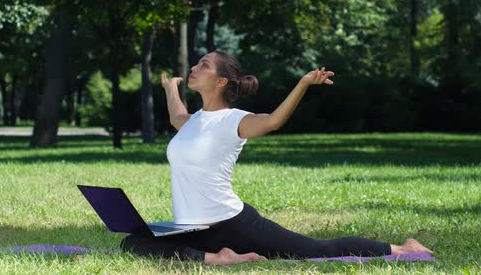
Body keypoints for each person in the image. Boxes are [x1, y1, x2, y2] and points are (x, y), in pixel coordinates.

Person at [121, 51, 432, 265]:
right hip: (191, 229)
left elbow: (272, 121)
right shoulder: (193, 121)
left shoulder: (234, 120)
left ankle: (404, 248)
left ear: (220, 81)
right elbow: (177, 115)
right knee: (132, 242)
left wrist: (303, 84)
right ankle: (218, 259)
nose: (195, 67)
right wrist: (170, 87)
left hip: (231, 223)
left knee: (314, 250)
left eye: (204, 65)